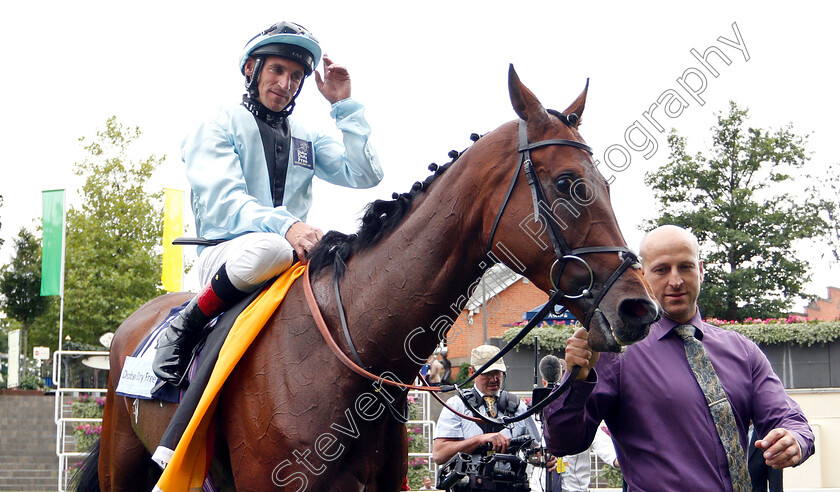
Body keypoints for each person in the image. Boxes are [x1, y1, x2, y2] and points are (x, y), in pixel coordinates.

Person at [152, 21, 383, 388]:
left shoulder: (308, 136)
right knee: (271, 247)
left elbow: (365, 174)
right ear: (251, 69)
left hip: (292, 254)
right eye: (276, 70)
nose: (285, 83)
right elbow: (225, 202)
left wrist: (345, 106)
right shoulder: (216, 123)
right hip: (229, 254)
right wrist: (288, 226)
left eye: (295, 76)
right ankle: (187, 322)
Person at [542, 225, 815, 491]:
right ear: (643, 276)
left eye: (685, 266)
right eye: (662, 269)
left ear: (701, 271)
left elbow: (788, 419)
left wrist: (795, 439)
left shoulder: (742, 351)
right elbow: (563, 443)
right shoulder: (616, 353)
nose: (676, 281)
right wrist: (577, 381)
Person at [433, 345, 542, 465]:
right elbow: (439, 455)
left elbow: (537, 451)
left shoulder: (517, 406)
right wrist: (480, 440)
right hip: (470, 482)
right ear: (472, 372)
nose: (494, 379)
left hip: (510, 482)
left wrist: (543, 458)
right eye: (487, 373)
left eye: (497, 373)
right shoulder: (457, 405)